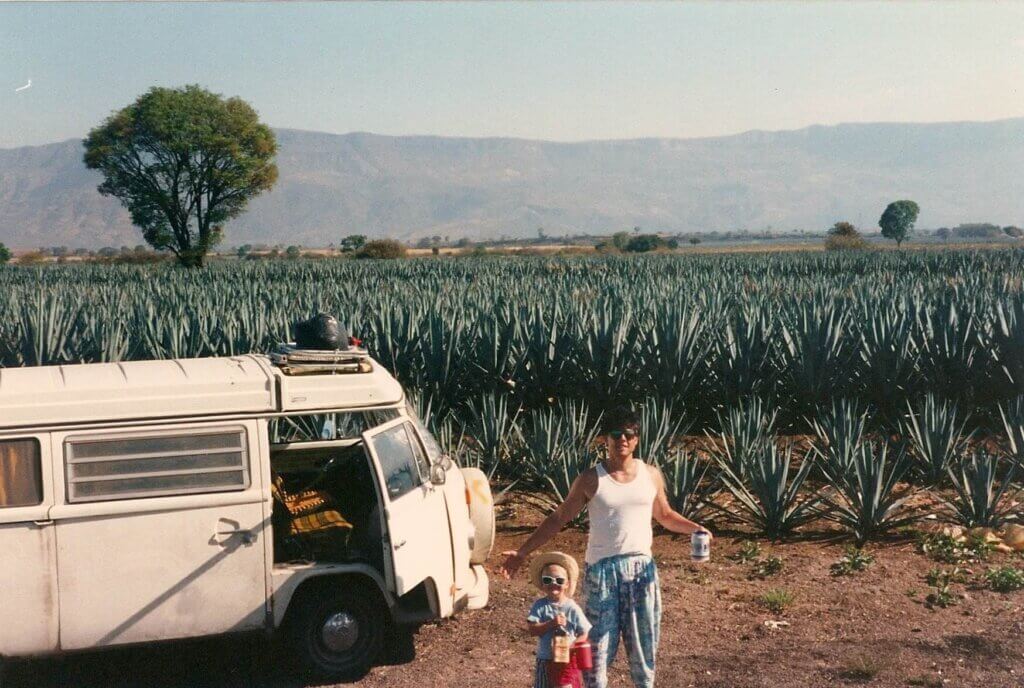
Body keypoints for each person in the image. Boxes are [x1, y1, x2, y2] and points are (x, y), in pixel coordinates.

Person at [501, 406, 712, 688]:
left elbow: (665, 515)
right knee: (597, 649)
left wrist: (696, 529)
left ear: (636, 439)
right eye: (616, 434)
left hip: (641, 571)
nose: (622, 439)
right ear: (605, 439)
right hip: (602, 572)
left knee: (643, 646)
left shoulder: (650, 475)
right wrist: (523, 552)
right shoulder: (591, 478)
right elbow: (559, 517)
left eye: (629, 434)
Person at [525, 551, 591, 688]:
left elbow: (584, 632)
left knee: (565, 685)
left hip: (565, 660)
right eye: (548, 580)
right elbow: (532, 630)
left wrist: (571, 647)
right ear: (543, 584)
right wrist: (551, 623)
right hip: (545, 658)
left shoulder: (571, 607)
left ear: (567, 584)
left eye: (559, 580)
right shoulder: (540, 605)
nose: (553, 584)